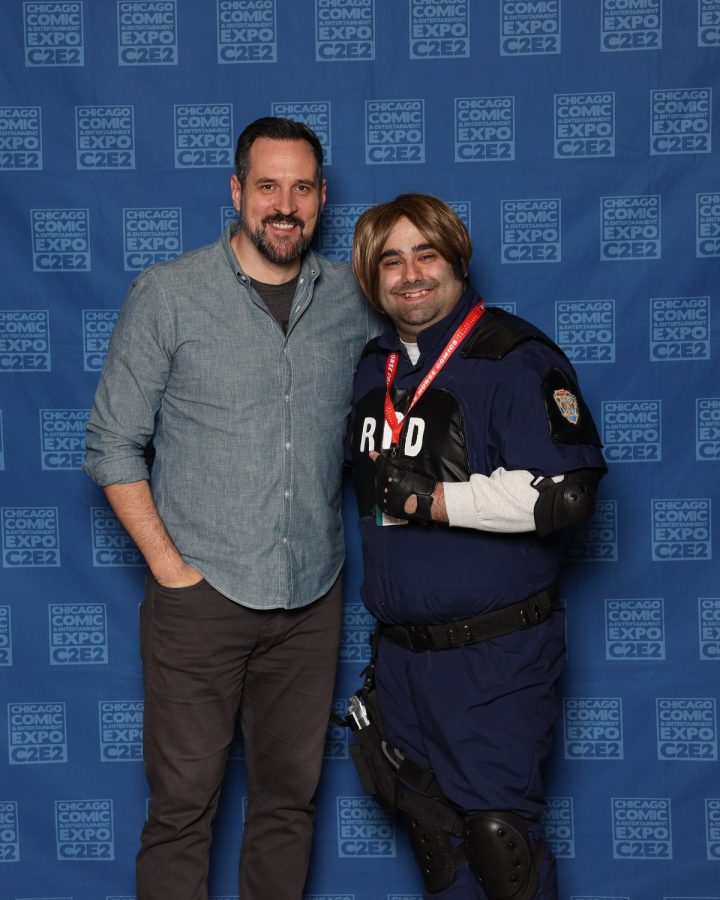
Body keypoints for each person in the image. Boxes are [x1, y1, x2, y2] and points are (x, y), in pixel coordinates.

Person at [83, 117, 379, 900]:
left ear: (321, 198)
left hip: (311, 597)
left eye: (303, 188)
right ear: (237, 191)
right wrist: (170, 569)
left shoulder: (353, 299)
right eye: (269, 186)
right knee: (182, 809)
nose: (286, 205)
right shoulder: (170, 294)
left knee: (289, 803)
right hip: (199, 597)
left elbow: (425, 354)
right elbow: (112, 445)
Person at [346, 193, 607, 900]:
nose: (410, 276)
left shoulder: (514, 358)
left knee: (502, 846)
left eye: (425, 255)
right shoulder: (374, 368)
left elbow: (565, 495)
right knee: (437, 841)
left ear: (456, 260)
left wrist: (434, 500)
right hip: (402, 657)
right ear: (372, 279)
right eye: (390, 262)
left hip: (494, 657)